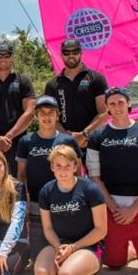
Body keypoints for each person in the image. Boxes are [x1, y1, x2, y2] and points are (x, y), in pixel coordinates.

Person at [87, 87, 138, 269]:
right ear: (107, 108)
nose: (118, 107)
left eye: (121, 102)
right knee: (114, 263)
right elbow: (95, 177)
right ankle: (127, 249)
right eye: (112, 104)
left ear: (128, 103)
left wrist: (134, 209)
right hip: (112, 209)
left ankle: (136, 247)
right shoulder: (97, 136)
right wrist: (114, 208)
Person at [16, 95, 82, 260]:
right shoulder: (26, 141)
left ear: (57, 115)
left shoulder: (68, 140)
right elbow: (21, 175)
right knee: (37, 256)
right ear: (36, 116)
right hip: (36, 205)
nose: (46, 116)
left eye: (51, 112)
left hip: (64, 203)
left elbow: (78, 173)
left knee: (66, 250)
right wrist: (23, 201)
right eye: (42, 113)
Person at [34, 145, 107, 275]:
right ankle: (68, 266)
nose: (63, 170)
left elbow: (101, 230)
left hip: (88, 246)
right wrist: (59, 249)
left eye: (68, 165)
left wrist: (73, 248)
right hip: (59, 244)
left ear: (75, 166)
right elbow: (48, 228)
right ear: (52, 168)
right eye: (58, 165)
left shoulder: (90, 189)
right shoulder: (46, 191)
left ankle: (91, 272)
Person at [0, 41, 36, 176]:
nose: (3, 58)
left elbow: (30, 112)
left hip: (19, 141)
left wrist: (9, 136)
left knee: (21, 180)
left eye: (7, 55)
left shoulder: (23, 81)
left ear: (12, 57)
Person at [43, 38, 108, 149]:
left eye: (75, 52)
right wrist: (68, 137)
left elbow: (104, 113)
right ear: (61, 55)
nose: (71, 55)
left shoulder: (96, 78)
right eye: (66, 52)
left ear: (81, 53)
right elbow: (52, 118)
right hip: (65, 144)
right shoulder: (52, 85)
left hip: (94, 142)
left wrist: (84, 134)